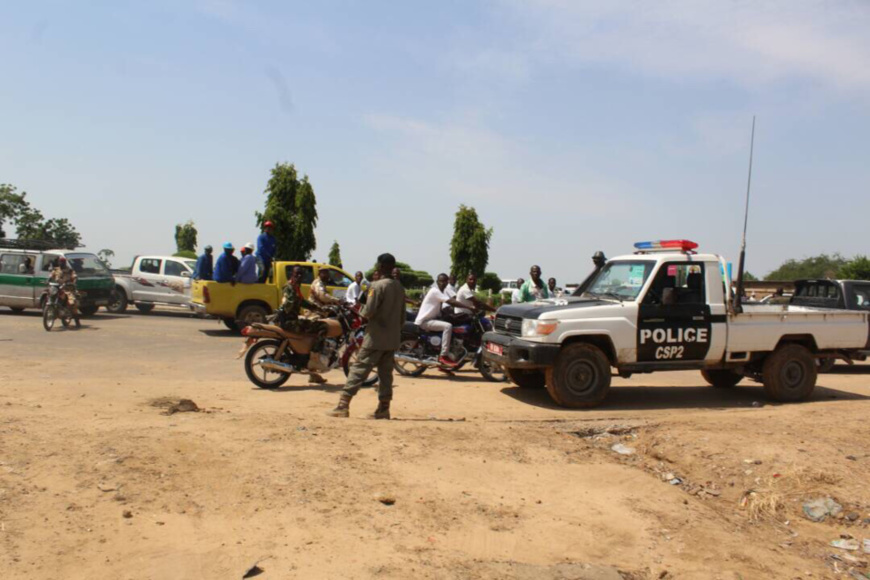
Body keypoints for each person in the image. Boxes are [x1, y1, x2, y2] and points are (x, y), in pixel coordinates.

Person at [327, 253, 405, 420]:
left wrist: (359, 311)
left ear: (381, 266)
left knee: (359, 369)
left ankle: (343, 405)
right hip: (392, 338)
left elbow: (368, 312)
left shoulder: (376, 287)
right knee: (385, 375)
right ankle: (384, 408)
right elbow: (402, 317)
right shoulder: (399, 287)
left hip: (375, 337)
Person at [279, 266, 331, 380]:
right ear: (291, 275)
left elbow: (302, 301)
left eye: (300, 275)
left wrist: (318, 308)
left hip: (291, 319)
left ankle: (313, 374)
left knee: (312, 327)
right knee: (323, 326)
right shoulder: (289, 287)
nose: (298, 276)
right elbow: (290, 302)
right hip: (290, 322)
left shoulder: (296, 287)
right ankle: (315, 359)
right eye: (296, 274)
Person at [415, 273, 465, 368]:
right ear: (437, 282)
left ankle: (443, 363)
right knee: (448, 326)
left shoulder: (441, 292)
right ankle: (444, 355)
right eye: (441, 281)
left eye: (445, 281)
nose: (443, 283)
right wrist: (468, 307)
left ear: (447, 282)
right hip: (424, 321)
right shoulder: (435, 291)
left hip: (431, 319)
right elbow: (451, 301)